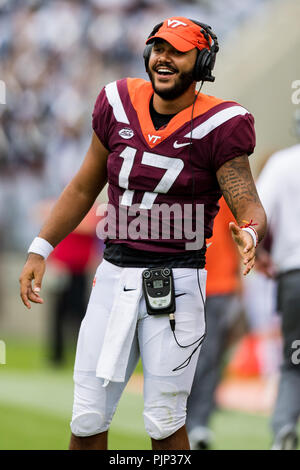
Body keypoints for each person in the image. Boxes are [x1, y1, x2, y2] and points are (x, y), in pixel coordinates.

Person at [19, 17, 266, 450]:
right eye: (158, 48)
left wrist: (249, 230)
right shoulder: (117, 100)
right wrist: (41, 247)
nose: (164, 58)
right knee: (87, 416)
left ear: (202, 60)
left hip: (178, 281)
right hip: (113, 275)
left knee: (164, 421)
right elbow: (82, 185)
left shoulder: (221, 123)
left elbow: (247, 202)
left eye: (177, 50)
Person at [186, 196, 242, 449]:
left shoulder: (224, 182)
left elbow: (237, 233)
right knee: (181, 356)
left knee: (209, 357)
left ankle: (198, 423)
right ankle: (178, 420)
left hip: (218, 284)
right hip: (183, 281)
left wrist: (238, 281)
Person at [256, 142, 300, 450]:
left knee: (293, 360)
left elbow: (256, 213)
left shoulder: (283, 162)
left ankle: (284, 426)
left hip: (294, 274)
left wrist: (257, 252)